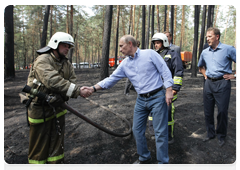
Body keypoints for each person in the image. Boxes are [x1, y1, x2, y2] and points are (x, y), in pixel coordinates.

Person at [83, 35, 173, 170]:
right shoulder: (125, 64)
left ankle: (163, 164)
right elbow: (111, 79)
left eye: (121, 46)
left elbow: (164, 71)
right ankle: (144, 157)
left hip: (157, 97)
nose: (120, 49)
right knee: (136, 130)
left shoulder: (150, 54)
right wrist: (93, 88)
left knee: (160, 132)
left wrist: (169, 89)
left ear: (130, 44)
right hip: (141, 100)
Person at [26, 32, 91, 170]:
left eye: (69, 46)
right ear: (55, 43)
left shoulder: (66, 64)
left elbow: (72, 80)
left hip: (59, 109)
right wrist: (78, 91)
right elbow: (52, 80)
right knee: (39, 144)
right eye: (65, 45)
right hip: (40, 110)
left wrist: (62, 97)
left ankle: (55, 166)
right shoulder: (42, 60)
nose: (67, 48)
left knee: (57, 143)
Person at [197, 27, 237, 147]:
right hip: (209, 84)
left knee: (222, 111)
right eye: (207, 37)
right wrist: (205, 76)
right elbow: (201, 67)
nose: (207, 39)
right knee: (208, 111)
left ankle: (221, 135)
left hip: (223, 83)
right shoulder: (205, 52)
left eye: (210, 36)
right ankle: (210, 133)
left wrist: (234, 75)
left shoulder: (228, 49)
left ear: (217, 37)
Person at [150, 33, 184, 144]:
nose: (156, 45)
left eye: (158, 43)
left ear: (164, 42)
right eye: (154, 43)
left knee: (168, 114)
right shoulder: (153, 55)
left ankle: (169, 136)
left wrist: (175, 88)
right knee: (153, 114)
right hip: (154, 90)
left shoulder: (173, 54)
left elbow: (178, 72)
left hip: (168, 90)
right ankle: (153, 133)